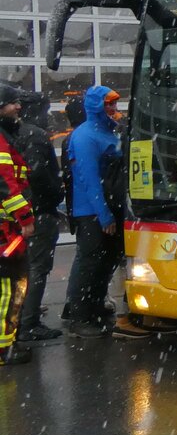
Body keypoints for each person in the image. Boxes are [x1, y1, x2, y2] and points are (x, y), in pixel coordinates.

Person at [61, 86, 149, 340]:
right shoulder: (85, 136)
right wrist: (103, 215)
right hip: (92, 212)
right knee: (89, 262)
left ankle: (95, 307)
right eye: (108, 104)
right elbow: (88, 179)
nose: (114, 109)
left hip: (112, 208)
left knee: (107, 261)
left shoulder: (111, 132)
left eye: (115, 104)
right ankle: (79, 316)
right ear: (97, 107)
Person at [13, 92, 64, 343]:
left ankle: (21, 315)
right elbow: (39, 174)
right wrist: (57, 193)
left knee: (23, 268)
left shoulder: (13, 134)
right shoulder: (34, 135)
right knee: (37, 268)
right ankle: (28, 322)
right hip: (38, 212)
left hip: (19, 213)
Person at [0, 85, 34, 366]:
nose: (18, 107)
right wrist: (26, 218)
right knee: (10, 289)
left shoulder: (7, 137)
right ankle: (4, 348)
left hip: (7, 230)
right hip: (6, 232)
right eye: (12, 103)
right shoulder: (1, 141)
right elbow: (6, 186)